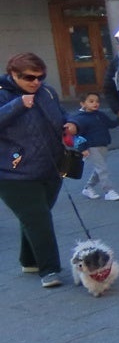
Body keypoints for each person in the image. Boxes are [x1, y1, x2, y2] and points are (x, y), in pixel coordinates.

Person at [0, 53, 66, 288]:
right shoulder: (3, 93)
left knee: (34, 217)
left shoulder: (47, 93)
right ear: (13, 74)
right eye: (29, 77)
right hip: (12, 173)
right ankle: (50, 271)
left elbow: (60, 116)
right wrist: (17, 105)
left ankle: (29, 261)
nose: (36, 82)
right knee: (39, 219)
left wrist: (71, 123)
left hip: (50, 168)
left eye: (40, 77)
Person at [69, 91, 119, 200]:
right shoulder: (80, 118)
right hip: (91, 146)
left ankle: (88, 188)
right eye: (91, 101)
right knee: (102, 168)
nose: (95, 104)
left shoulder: (100, 115)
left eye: (97, 101)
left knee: (99, 169)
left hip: (103, 145)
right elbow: (77, 135)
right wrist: (82, 148)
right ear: (83, 104)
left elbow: (110, 124)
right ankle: (109, 191)